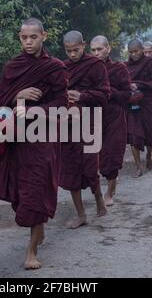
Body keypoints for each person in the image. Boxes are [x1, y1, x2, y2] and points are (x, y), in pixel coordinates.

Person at [0, 18, 68, 270]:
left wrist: (37, 111)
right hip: (17, 139)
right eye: (24, 37)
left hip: (43, 138)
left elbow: (62, 105)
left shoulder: (55, 67)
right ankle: (38, 227)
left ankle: (31, 250)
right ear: (19, 37)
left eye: (34, 37)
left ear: (44, 35)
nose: (28, 42)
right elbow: (1, 99)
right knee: (21, 192)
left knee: (36, 188)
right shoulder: (13, 67)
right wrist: (18, 95)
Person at [60, 30, 110, 229]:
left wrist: (81, 96)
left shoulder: (95, 65)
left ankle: (98, 198)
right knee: (70, 168)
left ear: (83, 45)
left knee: (90, 166)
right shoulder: (61, 68)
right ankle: (81, 214)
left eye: (76, 49)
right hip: (67, 123)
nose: (72, 54)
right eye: (68, 51)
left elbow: (105, 94)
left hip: (89, 120)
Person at [90, 35, 131, 206]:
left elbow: (127, 95)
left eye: (100, 49)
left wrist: (109, 92)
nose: (96, 53)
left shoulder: (119, 69)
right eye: (93, 50)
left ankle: (110, 191)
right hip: (92, 116)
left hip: (114, 116)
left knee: (111, 155)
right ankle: (99, 190)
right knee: (94, 157)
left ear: (108, 49)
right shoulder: (87, 69)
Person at [126, 39, 152, 178]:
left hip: (146, 102)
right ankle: (138, 166)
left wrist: (138, 85)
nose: (134, 54)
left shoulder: (150, 63)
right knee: (134, 135)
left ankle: (149, 155)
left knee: (149, 131)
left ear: (142, 50)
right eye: (131, 52)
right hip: (132, 103)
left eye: (136, 51)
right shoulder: (126, 66)